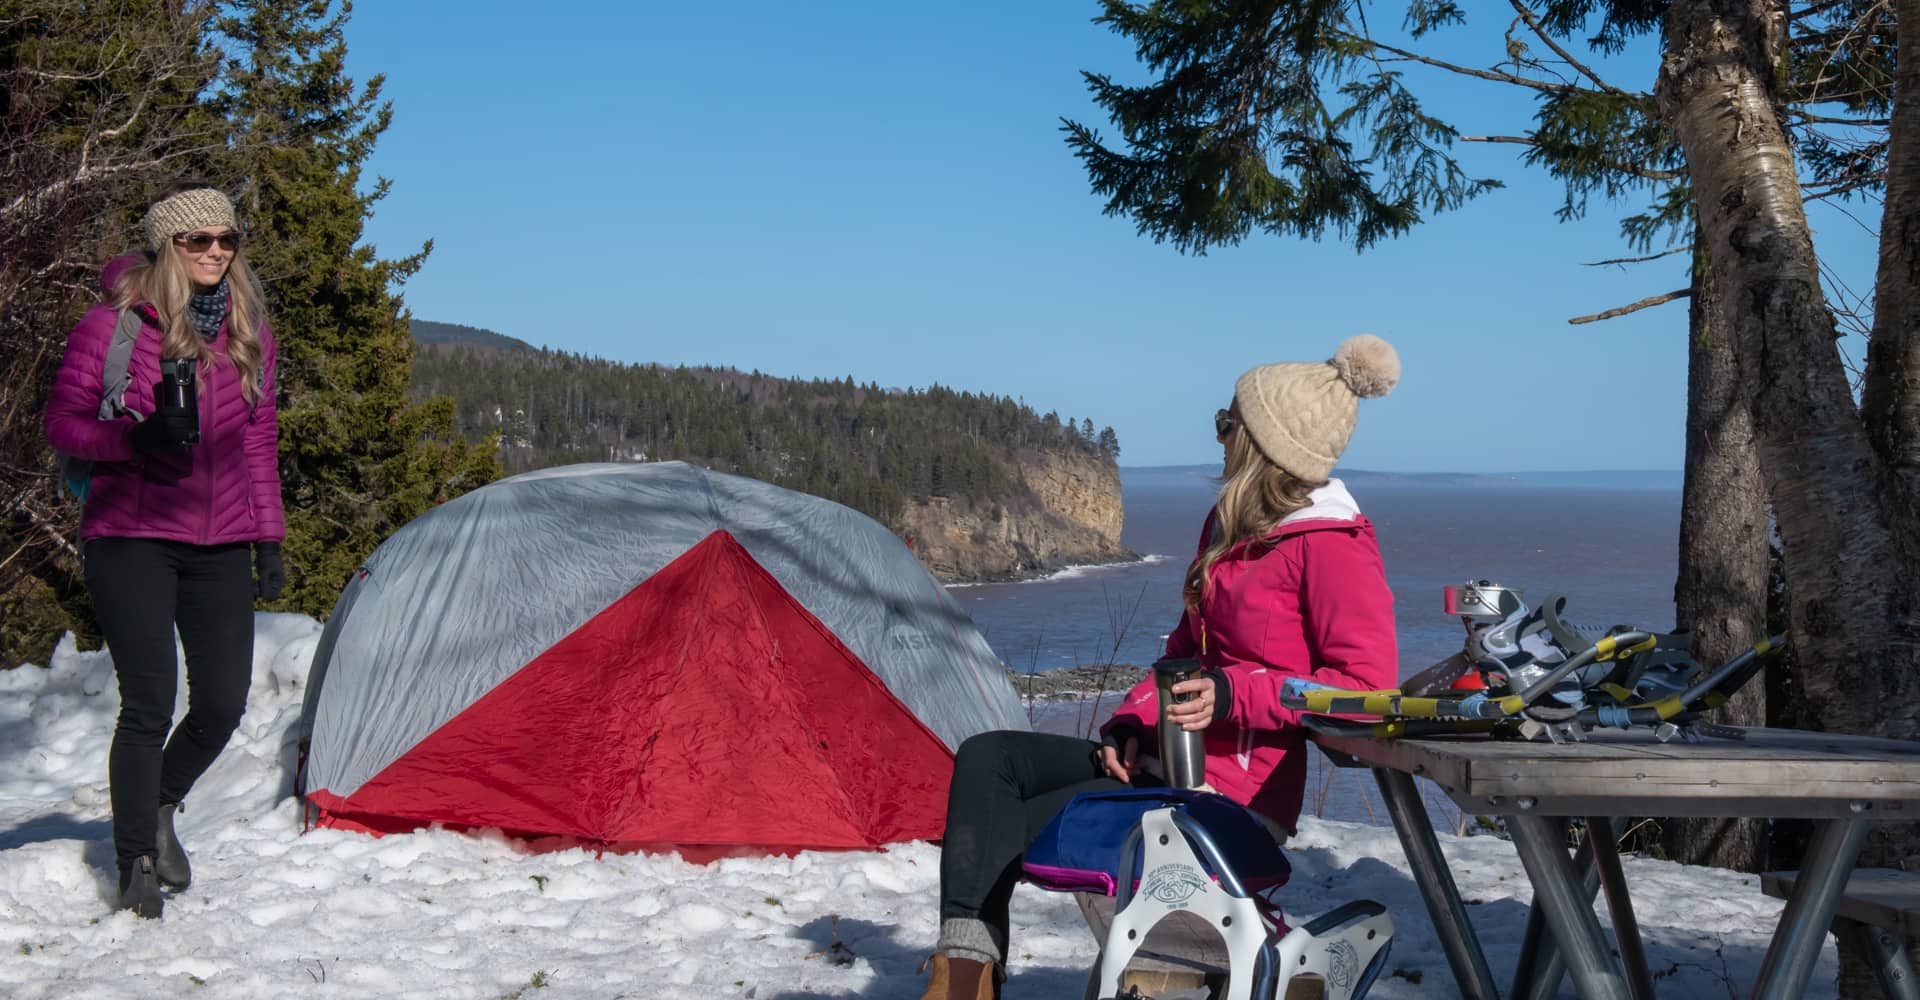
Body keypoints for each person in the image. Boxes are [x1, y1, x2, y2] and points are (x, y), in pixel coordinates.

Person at [920, 335, 1403, 1000]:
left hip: (1235, 795)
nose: (1219, 434)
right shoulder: (1228, 526)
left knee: (1010, 831)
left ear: (1265, 443)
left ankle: (967, 985)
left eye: (1228, 422)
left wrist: (1237, 694)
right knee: (987, 759)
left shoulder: (1333, 546)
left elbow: (1366, 691)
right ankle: (965, 973)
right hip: (1165, 763)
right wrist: (1129, 724)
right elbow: (1183, 654)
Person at [43, 183, 286, 918]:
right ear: (167, 248)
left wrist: (268, 537)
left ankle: (159, 805)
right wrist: (134, 439)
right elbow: (63, 425)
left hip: (220, 543)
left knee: (221, 703)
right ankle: (134, 863)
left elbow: (257, 443)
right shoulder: (112, 327)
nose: (216, 251)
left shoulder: (248, 331)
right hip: (131, 536)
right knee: (148, 703)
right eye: (198, 240)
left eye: (227, 239)